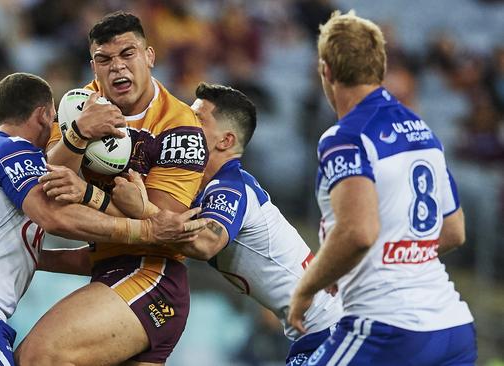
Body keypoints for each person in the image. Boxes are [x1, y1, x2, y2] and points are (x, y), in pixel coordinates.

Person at [0, 72, 204, 366]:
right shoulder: (9, 149)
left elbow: (57, 231)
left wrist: (39, 256)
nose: (55, 130)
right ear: (44, 114)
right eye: (54, 122)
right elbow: (54, 216)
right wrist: (146, 229)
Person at [39, 83, 343, 365]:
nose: (185, 122)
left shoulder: (231, 188)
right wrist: (37, 257)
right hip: (315, 331)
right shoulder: (194, 194)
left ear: (226, 140)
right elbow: (125, 241)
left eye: (197, 118)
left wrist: (141, 208)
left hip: (329, 330)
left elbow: (205, 243)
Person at [15, 12, 208, 366]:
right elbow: (46, 195)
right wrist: (78, 135)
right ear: (93, 66)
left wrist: (89, 195)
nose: (117, 68)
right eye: (104, 59)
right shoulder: (78, 104)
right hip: (109, 272)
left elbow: (162, 226)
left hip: (153, 278)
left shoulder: (180, 127)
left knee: (39, 356)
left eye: (127, 54)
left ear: (149, 56)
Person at [288, 11, 476, 365]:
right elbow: (453, 231)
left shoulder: (345, 137)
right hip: (452, 328)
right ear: (380, 67)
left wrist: (306, 288)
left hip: (388, 330)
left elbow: (358, 232)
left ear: (325, 71)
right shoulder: (424, 132)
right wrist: (394, 256)